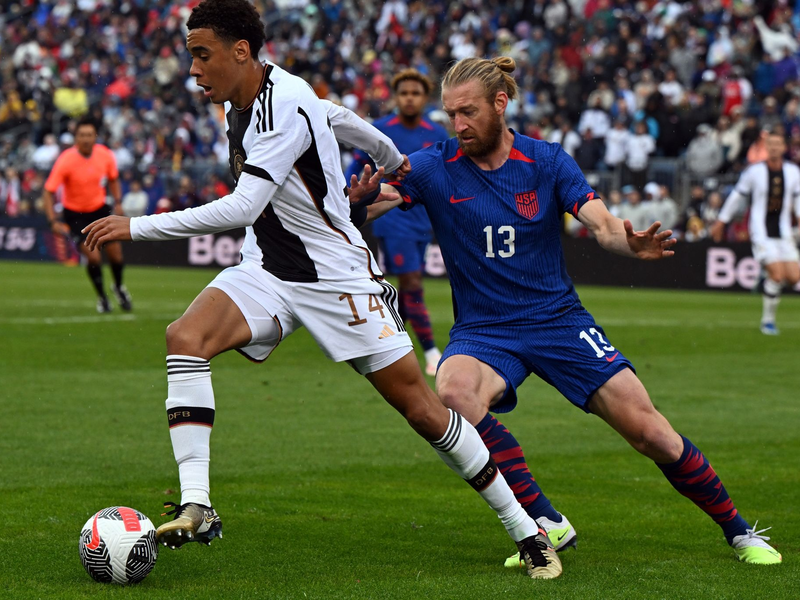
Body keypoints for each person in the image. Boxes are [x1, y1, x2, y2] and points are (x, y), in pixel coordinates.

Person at [82, 0, 561, 580]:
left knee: (423, 410)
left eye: (202, 55)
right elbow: (336, 116)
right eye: (191, 57)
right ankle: (197, 503)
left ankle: (527, 531)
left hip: (337, 279)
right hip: (268, 268)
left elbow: (244, 205)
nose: (194, 70)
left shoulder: (281, 104)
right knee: (185, 337)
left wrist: (138, 226)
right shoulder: (248, 98)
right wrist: (389, 155)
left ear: (241, 52)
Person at [370, 56, 782, 566]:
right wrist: (358, 199)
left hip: (559, 321)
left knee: (650, 432)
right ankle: (545, 521)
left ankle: (740, 531)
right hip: (484, 331)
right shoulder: (434, 165)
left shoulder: (547, 161)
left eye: (468, 112)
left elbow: (602, 223)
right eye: (450, 114)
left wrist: (628, 244)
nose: (458, 125)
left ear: (501, 103)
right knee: (453, 391)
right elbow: (375, 199)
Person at [345, 69, 449, 376]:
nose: (409, 98)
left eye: (415, 93)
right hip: (390, 214)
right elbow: (356, 166)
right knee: (412, 281)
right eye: (404, 93)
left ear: (425, 98)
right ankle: (431, 352)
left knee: (405, 285)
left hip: (421, 219)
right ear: (396, 96)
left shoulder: (437, 134)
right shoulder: (380, 128)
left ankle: (390, 344)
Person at [711, 130, 800, 335]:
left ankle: (764, 277)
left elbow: (797, 200)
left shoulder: (793, 172)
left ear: (784, 148)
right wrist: (721, 221)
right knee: (777, 276)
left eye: (778, 144)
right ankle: (767, 322)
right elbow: (737, 196)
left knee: (794, 278)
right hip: (761, 231)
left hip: (784, 231)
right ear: (766, 148)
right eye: (771, 144)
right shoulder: (754, 171)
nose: (774, 148)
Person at [42, 115, 132, 313]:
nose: (86, 138)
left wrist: (117, 202)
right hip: (75, 214)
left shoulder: (105, 155)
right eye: (82, 135)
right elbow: (48, 191)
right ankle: (102, 297)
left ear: (95, 136)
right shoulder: (66, 160)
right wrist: (52, 220)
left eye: (89, 134)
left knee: (116, 255)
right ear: (76, 138)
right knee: (93, 258)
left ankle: (118, 287)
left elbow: (114, 179)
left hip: (100, 209)